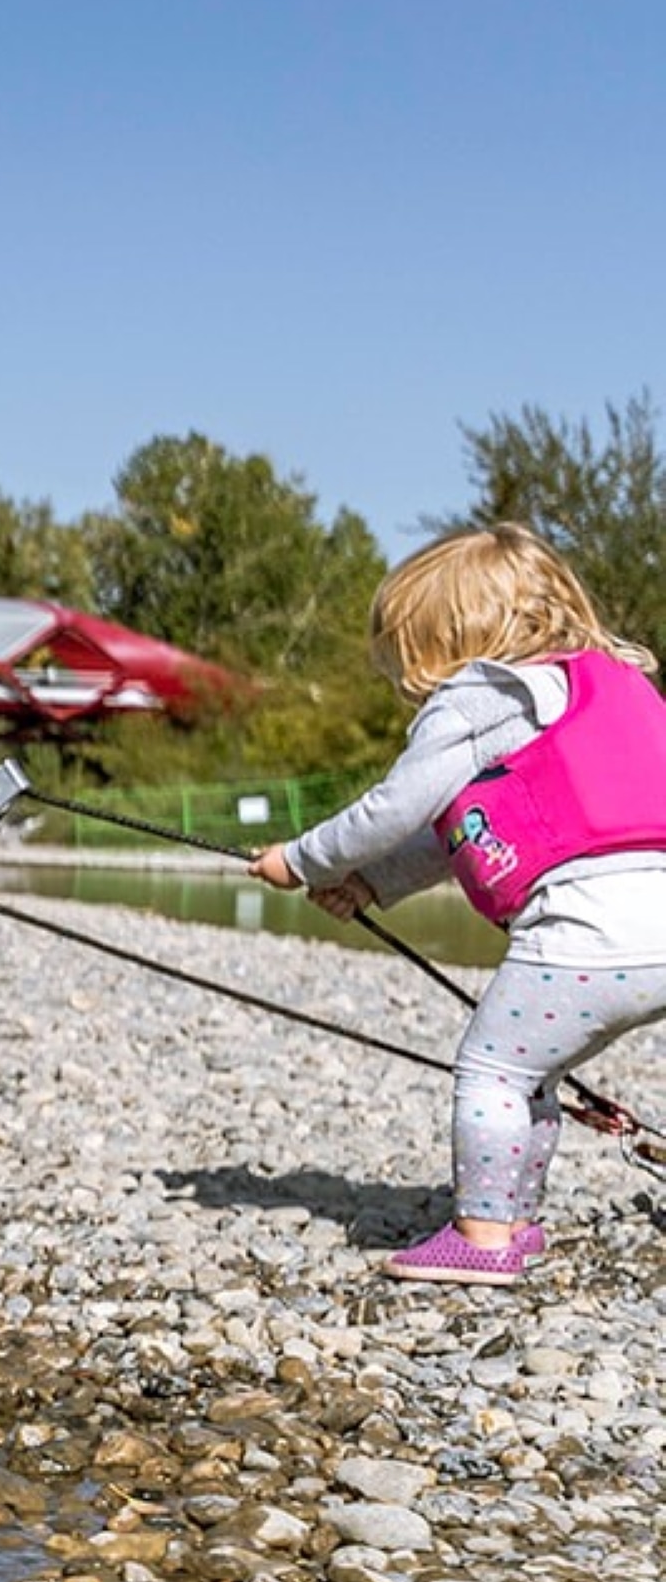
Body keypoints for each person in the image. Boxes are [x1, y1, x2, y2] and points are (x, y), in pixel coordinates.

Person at [250, 523, 666, 1284]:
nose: (404, 679)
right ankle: (515, 1219)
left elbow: (393, 807)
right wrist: (371, 885)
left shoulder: (478, 695)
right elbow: (461, 833)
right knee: (530, 1072)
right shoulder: (599, 683)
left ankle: (481, 1238)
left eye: (401, 657)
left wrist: (298, 859)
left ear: (443, 639)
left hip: (583, 932)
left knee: (489, 1071)